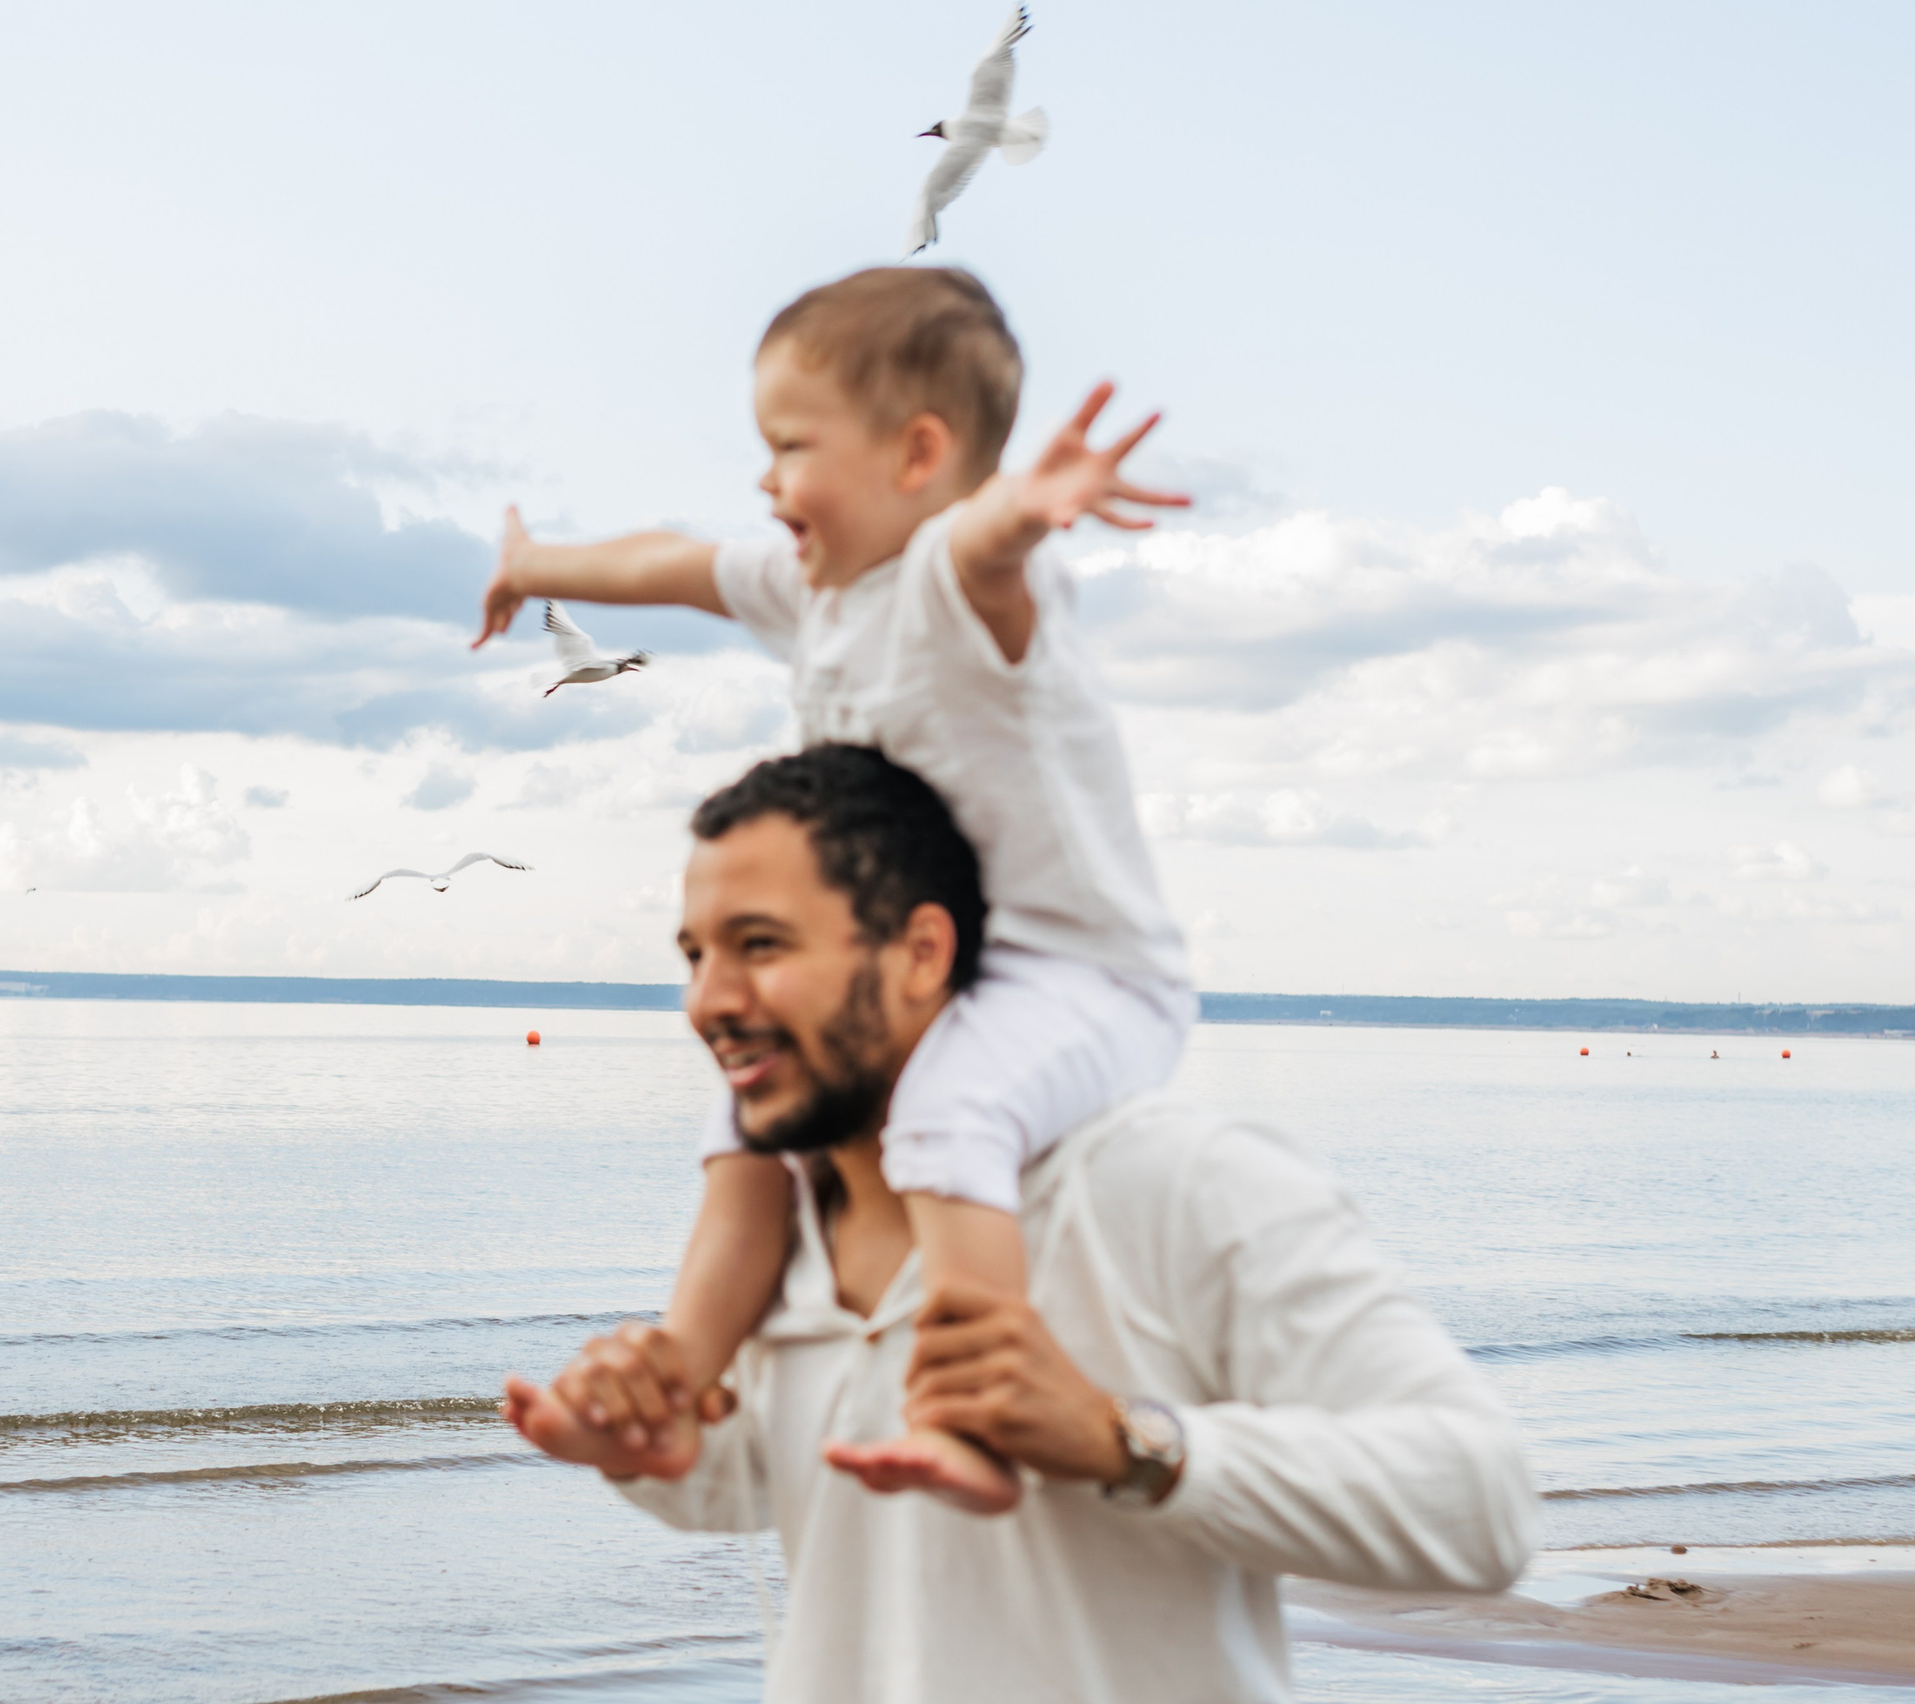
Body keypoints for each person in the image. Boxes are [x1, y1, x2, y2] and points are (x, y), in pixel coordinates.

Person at [504, 747, 1538, 1703]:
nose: (708, 1001)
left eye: (760, 945)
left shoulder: (1171, 1182)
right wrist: (652, 1445)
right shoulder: (776, 1230)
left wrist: (1122, 1444)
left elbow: (1480, 1504)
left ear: (921, 952)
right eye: (695, 954)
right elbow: (787, 1492)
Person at [475, 266, 1193, 1510]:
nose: (766, 480)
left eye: (791, 447)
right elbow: (671, 562)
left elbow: (980, 545)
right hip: (925, 973)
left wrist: (1028, 504)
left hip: (1077, 974)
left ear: (918, 452)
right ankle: (680, 1379)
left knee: (949, 1114)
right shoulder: (812, 589)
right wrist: (536, 563)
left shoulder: (953, 582)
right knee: (748, 1128)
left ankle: (970, 1416)